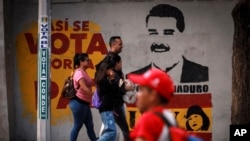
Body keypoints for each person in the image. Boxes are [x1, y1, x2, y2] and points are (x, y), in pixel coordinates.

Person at [128, 4, 208, 83]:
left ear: (181, 38)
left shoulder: (202, 74)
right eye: (153, 33)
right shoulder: (133, 78)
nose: (159, 42)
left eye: (167, 33)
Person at [128, 68, 176, 141]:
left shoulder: (149, 120)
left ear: (153, 96)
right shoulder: (168, 116)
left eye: (141, 90)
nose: (137, 95)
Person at [69, 53, 97, 141]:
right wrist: (94, 96)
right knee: (77, 126)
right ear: (81, 62)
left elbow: (89, 84)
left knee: (90, 125)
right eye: (87, 60)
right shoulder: (79, 73)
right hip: (79, 103)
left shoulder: (84, 72)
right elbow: (84, 88)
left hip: (84, 104)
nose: (89, 62)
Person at [95, 60, 118, 141]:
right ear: (106, 70)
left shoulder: (103, 80)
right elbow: (113, 91)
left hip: (107, 108)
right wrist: (112, 79)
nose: (112, 71)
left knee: (112, 135)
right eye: (110, 70)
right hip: (106, 109)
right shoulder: (103, 81)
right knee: (111, 132)